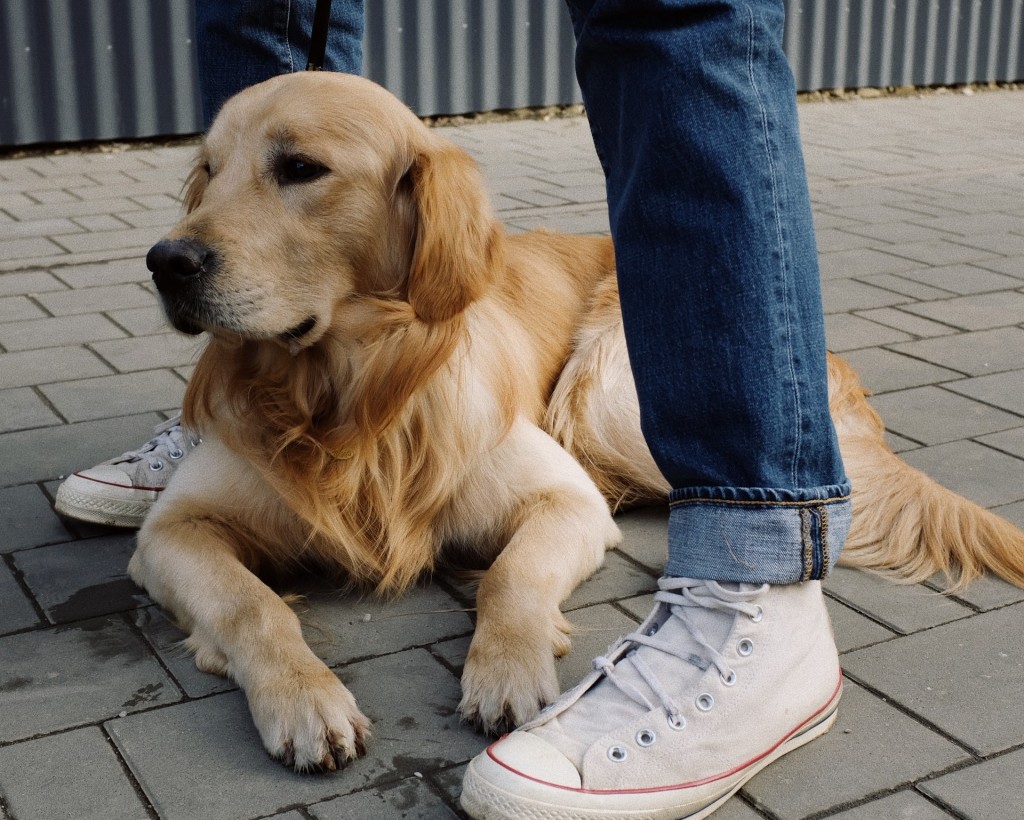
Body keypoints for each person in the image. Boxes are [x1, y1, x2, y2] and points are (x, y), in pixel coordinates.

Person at [56, 2, 850, 817]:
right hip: (269, 387)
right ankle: (200, 428)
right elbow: (169, 545)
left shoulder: (445, 269)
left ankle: (761, 550)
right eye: (212, 173)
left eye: (298, 171)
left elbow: (571, 509)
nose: (184, 241)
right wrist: (271, 658)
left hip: (603, 316)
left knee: (668, 15)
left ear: (416, 211)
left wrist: (515, 612)